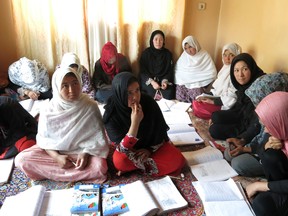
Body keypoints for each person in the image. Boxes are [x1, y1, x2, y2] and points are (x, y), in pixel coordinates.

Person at [15, 67, 109, 183]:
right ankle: (76, 174)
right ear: (57, 87)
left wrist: (85, 153)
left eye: (75, 83)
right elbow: (44, 141)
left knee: (100, 167)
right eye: (65, 86)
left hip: (82, 152)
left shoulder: (89, 105)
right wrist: (57, 157)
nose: (72, 90)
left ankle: (55, 174)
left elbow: (97, 137)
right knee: (21, 160)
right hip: (55, 153)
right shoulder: (48, 110)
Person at [103, 72, 186, 177]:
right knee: (119, 161)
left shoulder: (148, 102)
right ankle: (143, 166)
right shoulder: (111, 113)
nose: (135, 97)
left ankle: (136, 167)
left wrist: (149, 150)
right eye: (129, 93)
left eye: (137, 90)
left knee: (177, 160)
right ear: (119, 93)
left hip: (151, 149)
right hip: (129, 153)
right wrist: (135, 122)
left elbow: (160, 132)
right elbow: (122, 148)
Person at [224, 72, 288, 177]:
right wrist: (242, 141)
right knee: (229, 154)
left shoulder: (280, 114)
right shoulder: (267, 111)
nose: (240, 74)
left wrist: (269, 149)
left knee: (238, 164)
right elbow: (255, 127)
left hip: (273, 159)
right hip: (260, 148)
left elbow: (271, 153)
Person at [246, 92, 288, 216]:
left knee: (262, 204)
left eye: (268, 125)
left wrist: (262, 186)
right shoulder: (282, 130)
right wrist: (266, 146)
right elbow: (262, 154)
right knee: (270, 154)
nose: (265, 130)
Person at [209, 53, 265, 144]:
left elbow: (258, 122)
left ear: (252, 68)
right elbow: (238, 109)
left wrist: (243, 138)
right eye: (236, 70)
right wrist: (216, 117)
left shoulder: (260, 88)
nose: (240, 75)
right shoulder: (242, 87)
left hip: (251, 126)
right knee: (215, 116)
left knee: (214, 130)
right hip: (241, 117)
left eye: (245, 69)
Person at [193, 43, 242, 119]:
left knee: (198, 106)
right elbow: (217, 91)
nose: (227, 58)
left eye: (231, 55)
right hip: (220, 99)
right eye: (225, 55)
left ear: (237, 56)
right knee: (197, 100)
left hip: (227, 105)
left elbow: (232, 99)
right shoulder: (224, 70)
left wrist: (213, 101)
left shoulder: (237, 73)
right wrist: (206, 96)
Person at [174, 35, 217, 102]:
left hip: (198, 83)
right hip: (184, 82)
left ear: (195, 45)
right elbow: (177, 71)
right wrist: (185, 79)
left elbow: (212, 73)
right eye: (185, 48)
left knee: (197, 95)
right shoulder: (184, 56)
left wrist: (200, 82)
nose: (188, 50)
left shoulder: (204, 55)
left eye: (190, 47)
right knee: (180, 93)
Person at [139, 30, 175, 100]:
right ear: (152, 40)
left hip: (163, 80)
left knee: (169, 92)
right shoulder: (146, 53)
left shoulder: (168, 54)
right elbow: (143, 71)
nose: (158, 42)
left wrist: (164, 81)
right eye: (156, 39)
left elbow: (170, 70)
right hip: (150, 80)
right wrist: (152, 82)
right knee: (148, 93)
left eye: (161, 40)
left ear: (163, 41)